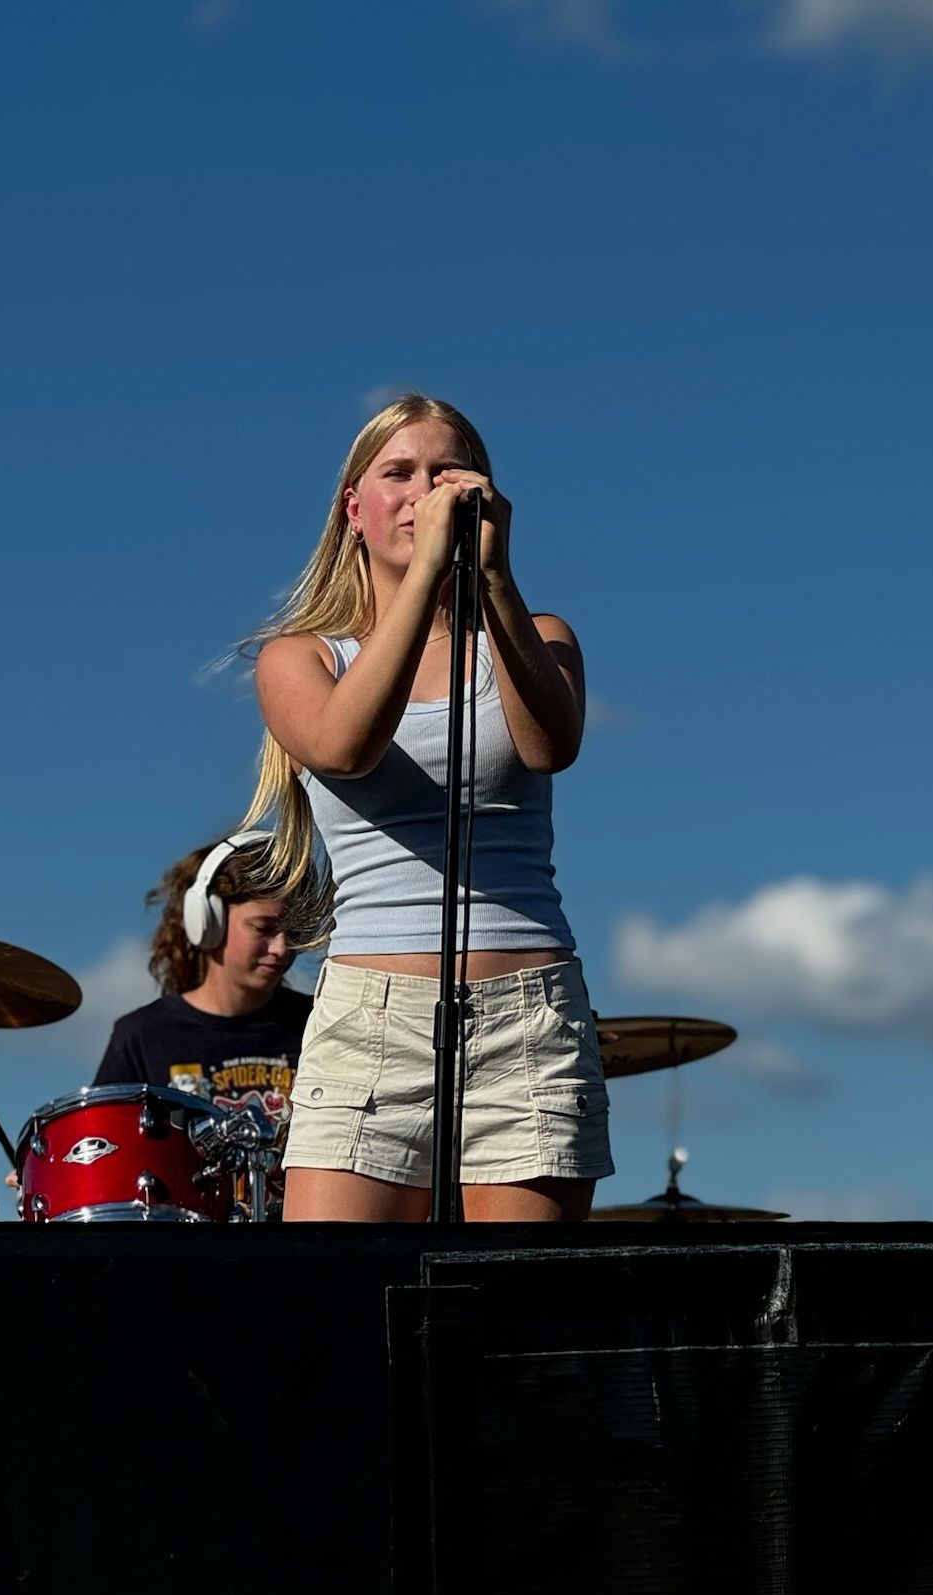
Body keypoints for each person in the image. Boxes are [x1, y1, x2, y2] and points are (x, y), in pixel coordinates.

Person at [236, 393, 611, 1222]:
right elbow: (344, 745)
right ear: (353, 510)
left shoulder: (539, 633)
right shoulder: (302, 656)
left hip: (527, 1014)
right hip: (373, 1016)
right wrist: (422, 584)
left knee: (512, 1322)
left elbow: (552, 744)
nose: (423, 490)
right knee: (336, 1311)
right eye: (398, 473)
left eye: (445, 471)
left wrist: (492, 580)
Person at [93, 833, 313, 1142]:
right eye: (264, 928)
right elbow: (102, 1151)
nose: (281, 948)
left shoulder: (319, 1024)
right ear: (208, 921)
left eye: (294, 932)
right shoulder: (142, 1037)